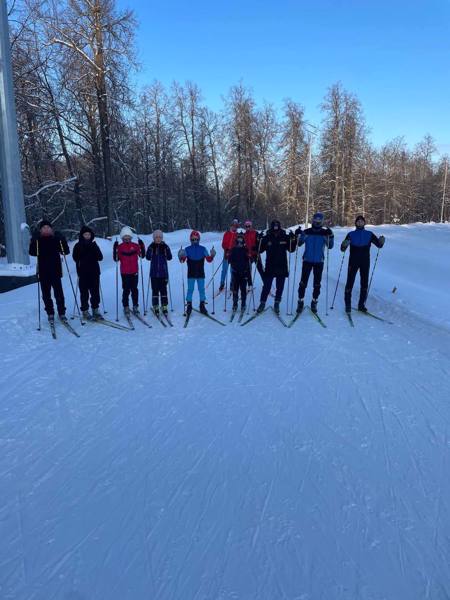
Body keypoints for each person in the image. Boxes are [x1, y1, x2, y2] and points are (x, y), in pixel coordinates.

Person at [341, 215, 385, 313]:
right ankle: (347, 305)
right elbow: (342, 249)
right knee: (350, 282)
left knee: (364, 284)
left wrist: (381, 241)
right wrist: (344, 245)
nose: (360, 223)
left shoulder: (369, 234)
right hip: (353, 262)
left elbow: (379, 245)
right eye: (358, 221)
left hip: (365, 262)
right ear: (355, 223)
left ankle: (361, 305)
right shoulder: (351, 234)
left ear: (364, 223)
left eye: (361, 221)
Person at [29, 219, 70, 323]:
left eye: (48, 227)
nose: (46, 229)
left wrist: (63, 239)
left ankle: (62, 313)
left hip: (55, 271)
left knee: (59, 294)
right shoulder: (38, 240)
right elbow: (32, 253)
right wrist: (33, 240)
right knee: (46, 294)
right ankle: (50, 313)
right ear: (41, 230)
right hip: (43, 272)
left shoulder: (55, 239)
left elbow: (65, 251)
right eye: (44, 228)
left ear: (51, 229)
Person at [295, 212, 334, 314]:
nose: (317, 222)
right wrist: (298, 234)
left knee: (317, 284)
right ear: (312, 220)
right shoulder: (307, 232)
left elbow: (330, 246)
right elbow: (299, 244)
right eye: (315, 221)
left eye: (319, 221)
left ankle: (314, 302)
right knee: (303, 283)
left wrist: (331, 235)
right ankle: (300, 302)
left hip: (318, 261)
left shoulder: (325, 233)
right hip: (307, 260)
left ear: (322, 221)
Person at [256, 219, 296, 314]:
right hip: (270, 266)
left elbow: (291, 249)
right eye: (274, 227)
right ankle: (262, 303)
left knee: (280, 287)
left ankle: (277, 303)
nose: (276, 230)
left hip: (282, 266)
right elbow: (260, 250)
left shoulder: (284, 237)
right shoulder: (267, 237)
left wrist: (293, 239)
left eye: (277, 227)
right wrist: (258, 240)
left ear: (280, 227)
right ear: (271, 227)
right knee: (267, 286)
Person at [178, 230, 216, 315]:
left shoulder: (203, 249)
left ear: (199, 239)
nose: (195, 241)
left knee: (201, 290)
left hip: (200, 273)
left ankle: (202, 305)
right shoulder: (187, 249)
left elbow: (209, 259)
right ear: (190, 240)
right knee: (190, 290)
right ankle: (189, 305)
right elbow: (182, 260)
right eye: (193, 239)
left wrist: (212, 255)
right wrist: (180, 255)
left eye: (196, 239)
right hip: (191, 273)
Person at [72, 225, 103, 319]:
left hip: (94, 272)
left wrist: (94, 248)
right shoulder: (77, 245)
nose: (87, 236)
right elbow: (75, 258)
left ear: (91, 235)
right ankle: (85, 311)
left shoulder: (94, 244)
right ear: (82, 235)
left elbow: (100, 257)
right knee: (84, 293)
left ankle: (95, 310)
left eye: (89, 234)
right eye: (85, 234)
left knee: (95, 293)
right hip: (83, 273)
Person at [113, 226, 146, 315]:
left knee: (134, 289)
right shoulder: (120, 247)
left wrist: (142, 245)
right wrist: (115, 249)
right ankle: (126, 306)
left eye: (128, 236)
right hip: (124, 272)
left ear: (131, 237)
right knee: (126, 290)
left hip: (134, 272)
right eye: (125, 237)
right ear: (122, 238)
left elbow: (142, 255)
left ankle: (135, 306)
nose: (127, 238)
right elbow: (116, 259)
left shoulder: (135, 246)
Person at [145, 229, 172, 316]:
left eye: (160, 237)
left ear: (162, 238)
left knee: (164, 291)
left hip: (163, 273)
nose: (158, 239)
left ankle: (164, 306)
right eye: (156, 237)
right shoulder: (151, 246)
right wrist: (149, 250)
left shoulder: (164, 246)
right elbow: (148, 257)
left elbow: (169, 257)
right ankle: (156, 305)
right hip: (154, 274)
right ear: (153, 238)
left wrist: (167, 249)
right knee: (155, 291)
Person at [228, 232, 251, 311]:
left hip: (243, 273)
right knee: (235, 290)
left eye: (241, 240)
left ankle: (243, 304)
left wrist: (250, 280)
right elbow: (230, 261)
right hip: (235, 273)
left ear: (243, 241)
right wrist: (229, 255)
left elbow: (248, 264)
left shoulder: (245, 250)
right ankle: (235, 304)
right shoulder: (233, 249)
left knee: (243, 290)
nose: (240, 242)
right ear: (236, 241)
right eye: (238, 240)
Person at [219, 218, 239, 291]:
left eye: (235, 226)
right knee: (224, 269)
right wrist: (226, 248)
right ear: (231, 226)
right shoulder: (227, 233)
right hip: (226, 254)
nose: (234, 227)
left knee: (232, 270)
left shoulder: (237, 235)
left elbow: (238, 245)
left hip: (234, 256)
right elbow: (223, 244)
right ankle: (222, 283)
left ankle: (232, 284)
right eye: (233, 226)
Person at [243, 220, 264, 285]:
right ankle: (250, 284)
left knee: (260, 269)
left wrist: (256, 247)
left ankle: (266, 284)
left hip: (255, 254)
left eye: (248, 226)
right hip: (248, 254)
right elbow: (243, 244)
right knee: (247, 270)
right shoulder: (244, 234)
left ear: (251, 226)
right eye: (246, 226)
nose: (247, 227)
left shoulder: (255, 233)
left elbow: (260, 243)